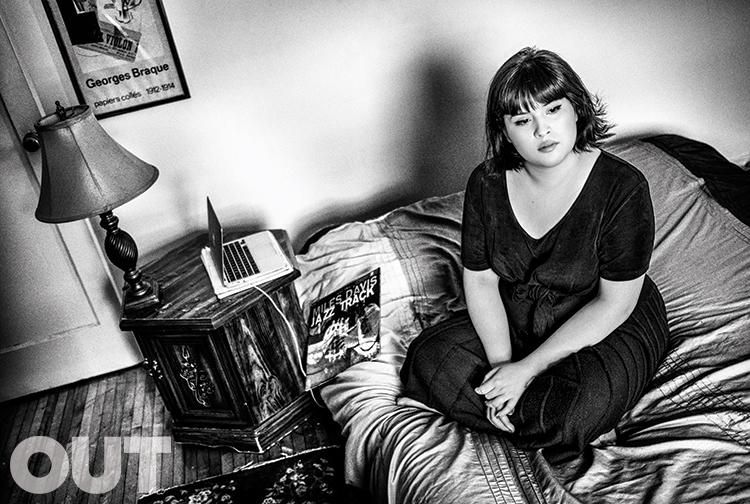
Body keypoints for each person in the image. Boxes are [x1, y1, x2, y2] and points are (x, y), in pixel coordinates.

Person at [400, 47, 670, 463]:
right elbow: (481, 280)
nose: (542, 130)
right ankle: (535, 421)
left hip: (602, 320)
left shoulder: (623, 188)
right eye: (523, 120)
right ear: (505, 131)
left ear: (576, 109)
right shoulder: (486, 182)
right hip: (521, 314)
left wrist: (526, 371)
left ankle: (556, 420)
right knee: (428, 359)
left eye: (553, 110)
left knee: (573, 410)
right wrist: (502, 371)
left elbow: (614, 303)